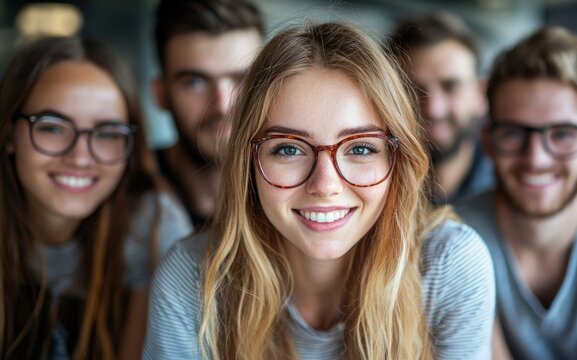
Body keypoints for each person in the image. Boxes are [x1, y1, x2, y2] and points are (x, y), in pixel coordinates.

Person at [144, 22, 495, 359]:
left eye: (360, 148)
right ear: (247, 161)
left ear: (397, 160)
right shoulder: (192, 278)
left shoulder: (449, 266)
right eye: (289, 149)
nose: (325, 185)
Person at [455, 26, 577, 359]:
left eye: (563, 134)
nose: (536, 158)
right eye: (514, 133)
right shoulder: (451, 237)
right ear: (488, 141)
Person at [0, 36, 193, 359]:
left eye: (106, 134)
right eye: (52, 127)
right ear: (9, 134)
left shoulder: (152, 225)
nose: (79, 156)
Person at [151, 0, 264, 228]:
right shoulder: (124, 195)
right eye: (195, 82)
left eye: (242, 79)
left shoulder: (298, 191)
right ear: (161, 94)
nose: (223, 105)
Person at [388, 12, 494, 204]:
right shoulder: (368, 190)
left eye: (451, 87)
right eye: (413, 90)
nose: (433, 109)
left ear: (481, 94)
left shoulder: (507, 187)